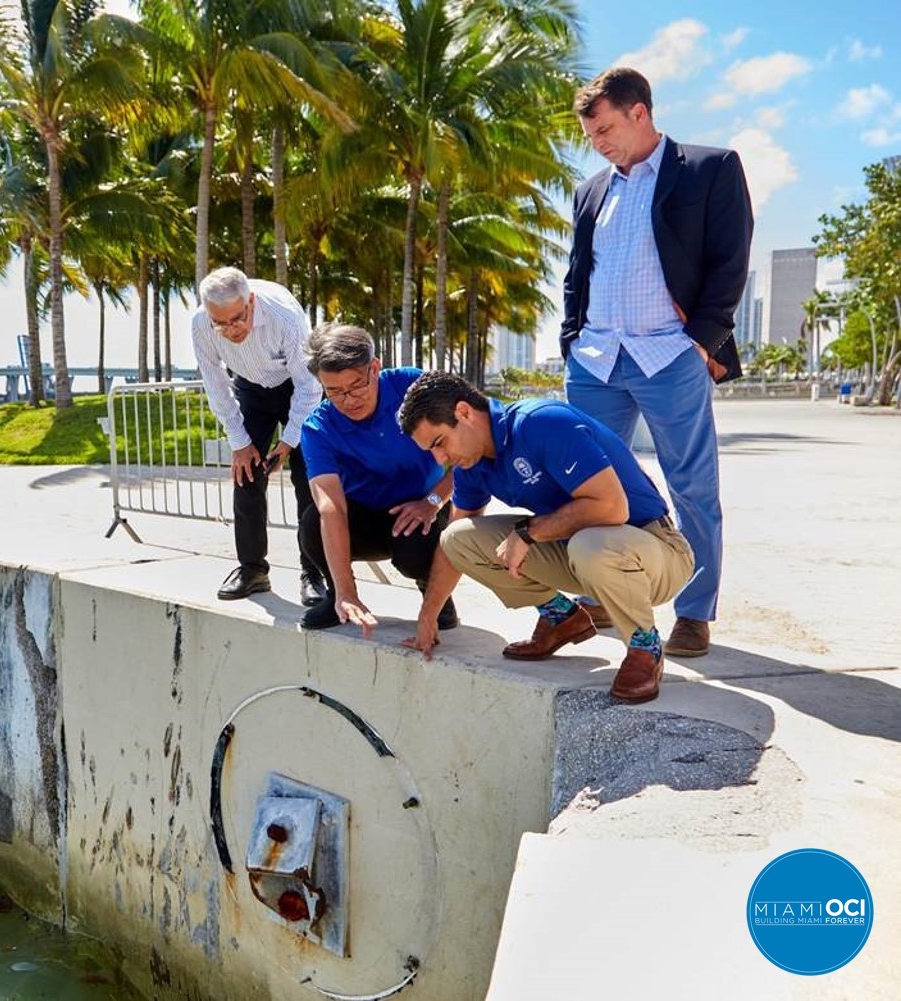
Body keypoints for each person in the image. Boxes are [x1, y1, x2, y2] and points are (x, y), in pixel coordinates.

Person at [560, 66, 754, 658]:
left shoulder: (709, 168)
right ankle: (593, 596)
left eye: (606, 128)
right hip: (596, 360)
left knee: (692, 486)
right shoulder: (592, 189)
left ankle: (693, 612)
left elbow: (730, 259)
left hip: (669, 352)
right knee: (582, 481)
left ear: (640, 112)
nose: (599, 142)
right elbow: (577, 273)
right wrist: (571, 337)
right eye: (591, 135)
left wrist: (701, 338)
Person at [400, 371, 694, 704]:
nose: (440, 459)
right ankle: (560, 619)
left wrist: (528, 533)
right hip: (580, 555)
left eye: (439, 443)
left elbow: (612, 507)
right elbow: (453, 545)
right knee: (457, 538)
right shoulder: (470, 466)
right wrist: (428, 617)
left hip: (653, 549)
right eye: (431, 452)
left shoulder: (541, 422)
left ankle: (644, 646)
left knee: (589, 545)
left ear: (464, 412)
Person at [296, 323, 458, 636]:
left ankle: (437, 593)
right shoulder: (318, 428)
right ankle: (337, 597)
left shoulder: (413, 386)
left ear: (374, 368)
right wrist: (347, 590)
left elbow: (470, 453)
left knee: (415, 553)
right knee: (313, 521)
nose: (348, 399)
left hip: (423, 507)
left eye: (356, 386)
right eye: (334, 391)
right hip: (364, 517)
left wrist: (433, 501)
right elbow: (332, 508)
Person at [191, 266, 325, 604]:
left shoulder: (284, 317)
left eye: (237, 319)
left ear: (250, 301)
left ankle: (313, 572)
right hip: (251, 388)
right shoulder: (201, 324)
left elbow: (310, 388)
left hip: (297, 387)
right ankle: (253, 569)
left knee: (308, 480)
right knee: (245, 474)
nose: (230, 330)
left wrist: (289, 440)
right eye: (220, 323)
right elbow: (216, 385)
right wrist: (239, 442)